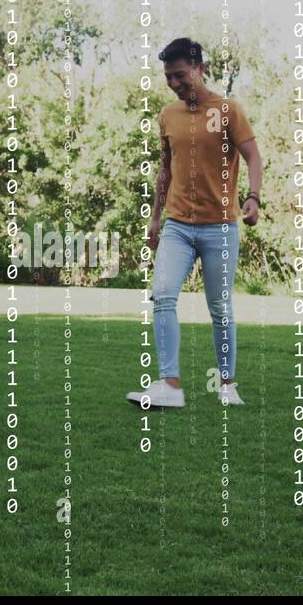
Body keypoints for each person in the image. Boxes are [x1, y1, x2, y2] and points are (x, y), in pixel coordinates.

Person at [126, 37, 264, 408]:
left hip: (220, 227)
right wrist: (155, 218)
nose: (174, 83)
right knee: (162, 295)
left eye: (180, 75)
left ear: (199, 69)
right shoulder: (167, 115)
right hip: (177, 226)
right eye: (168, 77)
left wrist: (253, 197)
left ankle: (227, 385)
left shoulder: (227, 110)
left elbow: (253, 156)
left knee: (219, 308)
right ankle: (170, 386)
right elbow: (165, 170)